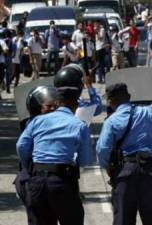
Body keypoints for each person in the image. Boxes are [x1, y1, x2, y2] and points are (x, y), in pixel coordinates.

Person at [16, 66, 93, 225]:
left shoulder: (37, 120)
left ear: (57, 100)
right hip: (62, 182)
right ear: (76, 101)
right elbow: (85, 160)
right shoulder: (79, 125)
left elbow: (21, 146)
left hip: (36, 181)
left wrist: (30, 168)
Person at [96, 83, 152, 225]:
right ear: (128, 97)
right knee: (150, 217)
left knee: (123, 219)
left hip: (124, 172)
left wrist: (107, 167)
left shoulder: (111, 121)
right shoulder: (148, 113)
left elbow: (102, 149)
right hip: (148, 171)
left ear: (111, 102)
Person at [14, 86, 58, 225]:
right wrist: (28, 168)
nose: (52, 109)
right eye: (48, 106)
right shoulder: (32, 123)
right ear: (37, 107)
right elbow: (21, 147)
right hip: (35, 177)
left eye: (54, 106)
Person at [0, 28, 8, 100]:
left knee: (1, 77)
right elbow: (6, 50)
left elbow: (6, 49)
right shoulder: (2, 41)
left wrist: (2, 51)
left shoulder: (1, 41)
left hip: (1, 62)